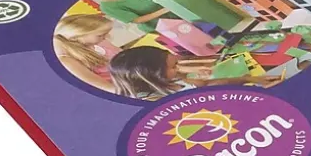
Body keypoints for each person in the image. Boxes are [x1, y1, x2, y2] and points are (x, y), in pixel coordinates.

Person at [108, 47, 280, 101]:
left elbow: (207, 85)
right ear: (155, 75)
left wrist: (250, 78)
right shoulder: (161, 102)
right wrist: (260, 95)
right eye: (174, 66)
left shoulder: (173, 79)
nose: (179, 68)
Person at [52, 14, 122, 92]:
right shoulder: (68, 60)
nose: (106, 37)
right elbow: (107, 87)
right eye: (100, 35)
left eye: (106, 33)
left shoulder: (100, 42)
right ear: (75, 37)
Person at [90, 0, 172, 33]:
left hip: (170, 16)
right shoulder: (107, 7)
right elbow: (137, 20)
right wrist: (164, 10)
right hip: (157, 26)